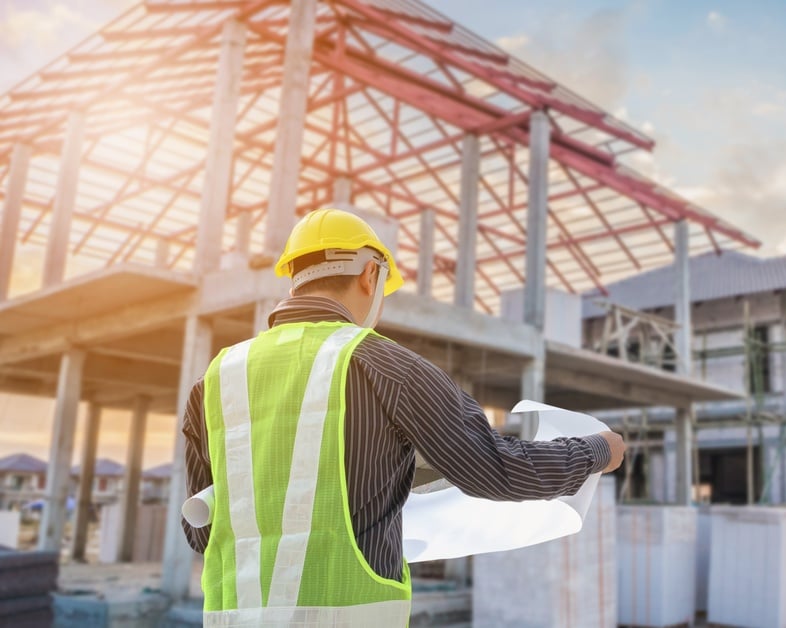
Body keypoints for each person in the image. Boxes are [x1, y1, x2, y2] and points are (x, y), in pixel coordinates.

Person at [182, 207, 625, 626]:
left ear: (293, 279)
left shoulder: (216, 380)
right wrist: (596, 450)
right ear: (370, 274)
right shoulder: (390, 369)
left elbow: (201, 532)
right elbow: (498, 470)